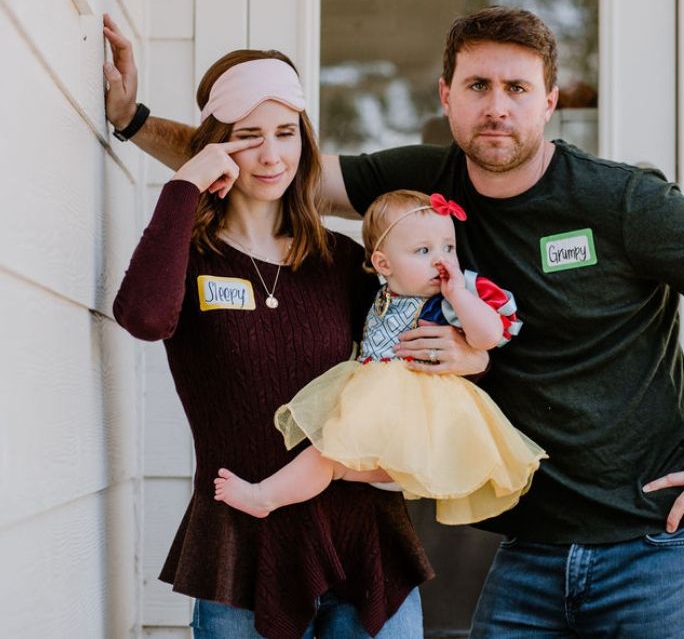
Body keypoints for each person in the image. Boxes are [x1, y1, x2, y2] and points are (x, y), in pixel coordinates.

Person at [104, 6, 684, 638]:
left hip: (652, 543)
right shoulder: (419, 185)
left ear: (549, 101)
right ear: (446, 96)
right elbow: (277, 167)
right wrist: (135, 122)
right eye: (477, 86)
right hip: (530, 545)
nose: (496, 108)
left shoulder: (619, 200)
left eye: (517, 89)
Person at [107, 42, 460, 639]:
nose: (271, 154)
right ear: (218, 144)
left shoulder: (346, 262)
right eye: (248, 135)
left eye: (286, 132)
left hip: (363, 546)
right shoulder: (190, 260)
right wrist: (186, 183)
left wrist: (469, 352)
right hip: (242, 554)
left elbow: (411, 369)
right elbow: (142, 317)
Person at [214, 189, 547, 525]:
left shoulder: (448, 299)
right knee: (329, 462)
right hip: (382, 416)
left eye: (448, 247)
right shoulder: (379, 295)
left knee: (326, 458)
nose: (441, 260)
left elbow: (488, 336)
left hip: (423, 419)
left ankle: (263, 497)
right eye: (423, 250)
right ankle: (271, 495)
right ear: (383, 263)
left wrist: (459, 293)